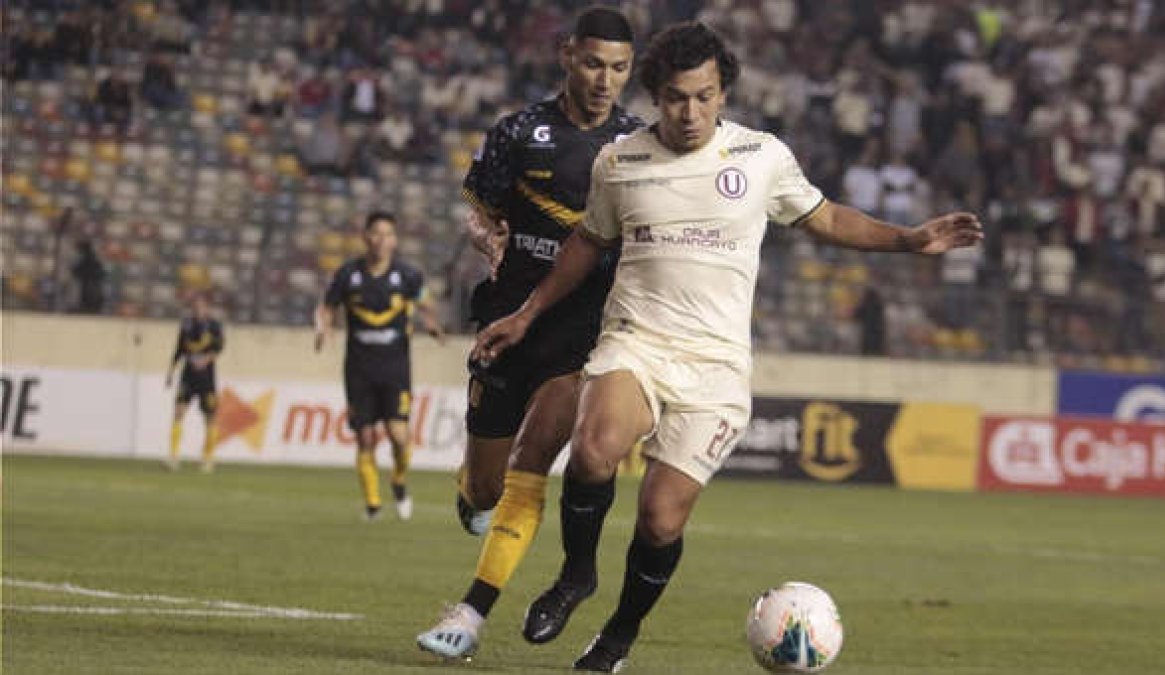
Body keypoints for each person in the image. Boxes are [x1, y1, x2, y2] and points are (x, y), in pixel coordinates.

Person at [473, 22, 984, 672]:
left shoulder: (762, 156)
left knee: (660, 518)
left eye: (705, 96)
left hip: (714, 366)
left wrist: (908, 240)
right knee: (596, 445)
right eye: (679, 98)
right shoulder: (620, 161)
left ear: (723, 94)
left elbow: (826, 217)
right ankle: (577, 575)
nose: (692, 112)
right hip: (637, 340)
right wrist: (526, 312)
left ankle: (618, 636)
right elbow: (586, 243)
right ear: (658, 96)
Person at [415, 5, 642, 661]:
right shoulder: (519, 131)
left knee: (529, 465)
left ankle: (469, 611)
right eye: (595, 63)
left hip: (583, 335)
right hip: (509, 324)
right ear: (568, 55)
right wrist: (489, 239)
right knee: (486, 485)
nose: (606, 79)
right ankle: (468, 488)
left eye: (620, 68)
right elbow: (476, 211)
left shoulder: (635, 148)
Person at [314, 211, 445, 521]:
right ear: (365, 237)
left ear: (395, 240)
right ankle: (373, 504)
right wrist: (323, 325)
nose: (382, 240)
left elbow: (425, 300)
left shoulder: (408, 276)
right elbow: (327, 305)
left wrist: (431, 322)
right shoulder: (348, 275)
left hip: (395, 367)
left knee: (399, 436)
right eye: (376, 234)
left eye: (388, 234)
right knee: (364, 437)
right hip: (359, 368)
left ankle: (398, 480)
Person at [165, 294, 224, 473]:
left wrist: (206, 359)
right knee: (178, 412)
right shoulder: (186, 325)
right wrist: (171, 371)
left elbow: (219, 347)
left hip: (206, 378)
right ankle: (173, 458)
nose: (198, 310)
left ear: (207, 308)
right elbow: (179, 349)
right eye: (195, 306)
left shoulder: (214, 326)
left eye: (202, 306)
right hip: (188, 376)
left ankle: (207, 459)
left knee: (210, 418)